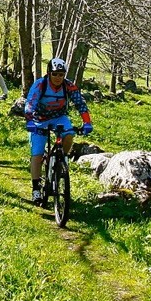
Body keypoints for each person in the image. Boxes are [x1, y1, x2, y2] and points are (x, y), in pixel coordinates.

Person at [24, 58, 93, 205]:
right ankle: (36, 188)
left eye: (61, 74)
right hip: (39, 120)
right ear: (49, 73)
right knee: (37, 153)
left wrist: (87, 122)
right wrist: (30, 121)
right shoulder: (40, 85)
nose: (58, 78)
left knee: (69, 134)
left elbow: (80, 103)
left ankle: (63, 159)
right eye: (55, 74)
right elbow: (30, 103)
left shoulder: (68, 86)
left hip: (59, 118)